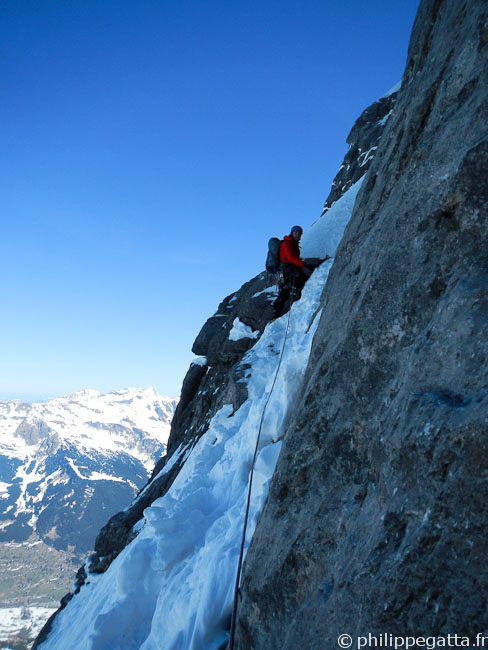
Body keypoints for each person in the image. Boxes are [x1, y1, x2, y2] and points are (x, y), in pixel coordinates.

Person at [272, 225, 309, 319]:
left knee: (288, 289)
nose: (297, 235)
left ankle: (277, 311)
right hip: (285, 270)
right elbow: (290, 258)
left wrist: (303, 271)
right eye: (296, 232)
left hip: (288, 270)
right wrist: (303, 265)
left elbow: (294, 260)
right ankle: (276, 313)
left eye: (299, 233)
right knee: (285, 290)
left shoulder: (294, 245)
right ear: (292, 233)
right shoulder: (286, 243)